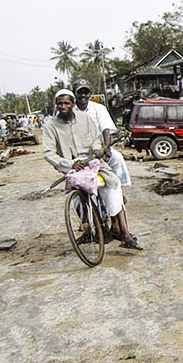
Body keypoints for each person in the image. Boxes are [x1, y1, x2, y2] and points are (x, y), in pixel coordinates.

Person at [42, 88, 141, 250]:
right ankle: (88, 228)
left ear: (73, 104)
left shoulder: (85, 118)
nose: (63, 106)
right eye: (60, 103)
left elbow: (96, 139)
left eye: (67, 103)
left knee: (113, 184)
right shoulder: (50, 126)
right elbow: (48, 153)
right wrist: (69, 165)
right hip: (72, 166)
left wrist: (96, 151)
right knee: (77, 195)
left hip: (93, 162)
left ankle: (124, 233)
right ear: (56, 105)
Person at [71, 78, 130, 188]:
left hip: (99, 150)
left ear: (91, 94)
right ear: (74, 94)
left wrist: (106, 147)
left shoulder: (99, 108)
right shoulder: (70, 111)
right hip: (78, 152)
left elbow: (106, 129)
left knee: (117, 158)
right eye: (80, 92)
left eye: (86, 92)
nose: (83, 95)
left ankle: (119, 189)